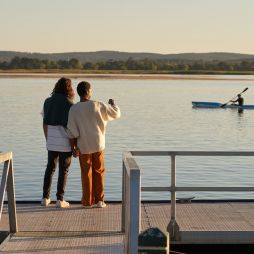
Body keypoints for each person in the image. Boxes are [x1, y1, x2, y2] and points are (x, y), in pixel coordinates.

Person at [67, 81, 121, 209]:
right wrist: (113, 104)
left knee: (86, 174)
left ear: (79, 93)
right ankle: (100, 201)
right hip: (98, 144)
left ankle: (87, 202)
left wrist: (73, 148)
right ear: (89, 91)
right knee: (99, 172)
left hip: (83, 146)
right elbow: (116, 113)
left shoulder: (74, 109)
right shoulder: (98, 105)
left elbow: (71, 132)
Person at [41, 77, 74, 208]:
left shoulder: (47, 101)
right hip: (65, 143)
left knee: (50, 168)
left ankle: (45, 197)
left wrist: (47, 138)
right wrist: (75, 145)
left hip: (51, 140)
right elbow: (72, 128)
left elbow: (44, 123)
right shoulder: (71, 104)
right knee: (63, 170)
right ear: (69, 88)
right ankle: (60, 199)